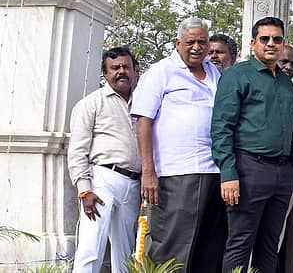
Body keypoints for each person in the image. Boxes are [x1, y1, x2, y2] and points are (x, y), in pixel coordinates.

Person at [132, 17, 226, 272]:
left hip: (213, 171)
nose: (197, 47)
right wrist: (148, 172)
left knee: (208, 248)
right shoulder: (161, 72)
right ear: (177, 43)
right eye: (190, 42)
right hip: (176, 173)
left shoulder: (214, 72)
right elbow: (143, 122)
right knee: (171, 248)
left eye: (202, 42)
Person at [211, 17, 293, 273]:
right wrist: (228, 173)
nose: (271, 44)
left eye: (277, 39)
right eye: (265, 39)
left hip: (283, 172)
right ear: (253, 43)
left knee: (270, 244)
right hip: (249, 169)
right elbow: (221, 127)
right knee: (240, 243)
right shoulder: (237, 76)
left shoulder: (285, 82)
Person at [68, 47, 141, 273]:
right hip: (102, 180)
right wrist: (84, 190)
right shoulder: (92, 103)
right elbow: (77, 149)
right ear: (105, 73)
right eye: (115, 68)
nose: (121, 72)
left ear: (135, 71)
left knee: (125, 251)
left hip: (134, 183)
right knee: (91, 247)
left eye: (126, 67)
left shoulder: (144, 101)